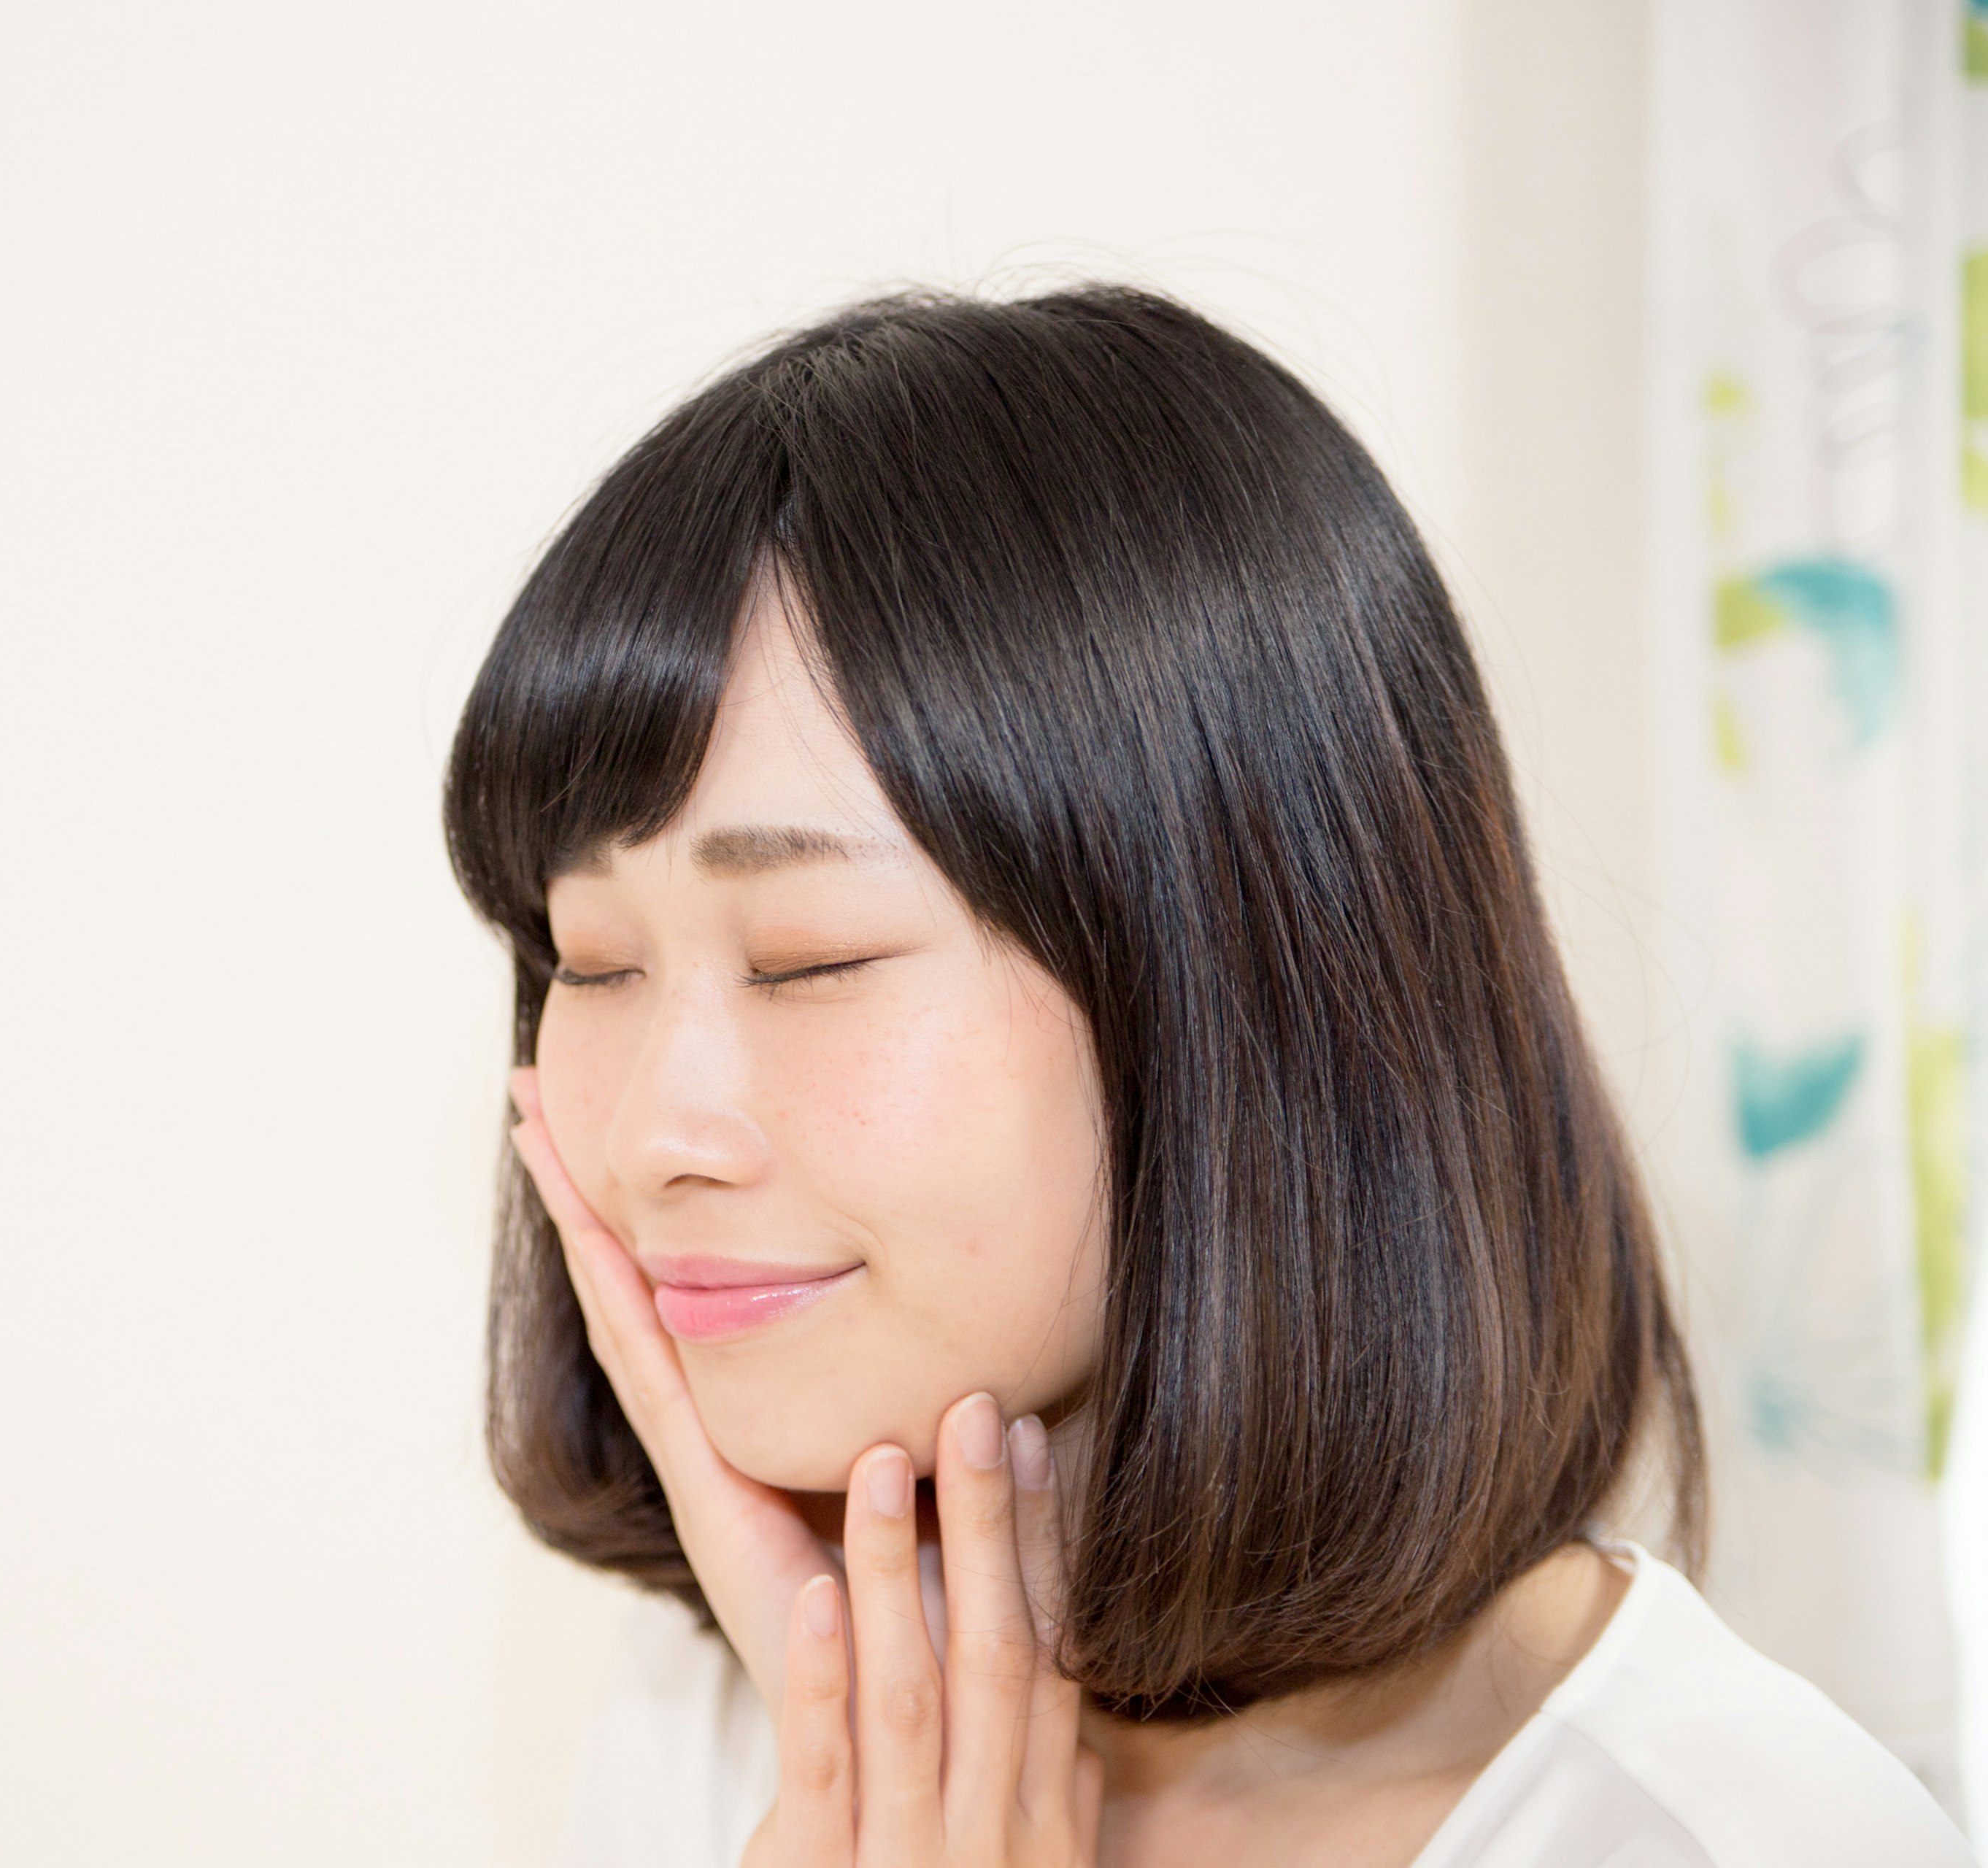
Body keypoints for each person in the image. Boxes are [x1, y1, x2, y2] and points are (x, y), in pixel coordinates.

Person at [439, 285, 1977, 1867]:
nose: (650, 1132)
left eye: (811, 955)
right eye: (593, 961)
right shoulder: (715, 1718)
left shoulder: (1744, 1835)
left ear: (1238, 974)